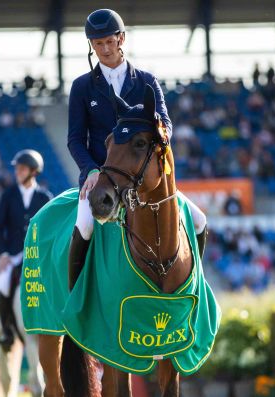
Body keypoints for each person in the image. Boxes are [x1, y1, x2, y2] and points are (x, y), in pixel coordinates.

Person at [66, 8, 208, 290]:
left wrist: (158, 130)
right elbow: (74, 139)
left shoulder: (146, 80)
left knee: (199, 220)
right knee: (85, 226)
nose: (105, 49)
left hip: (142, 176)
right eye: (98, 44)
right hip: (103, 179)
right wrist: (91, 170)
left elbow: (166, 124)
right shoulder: (82, 87)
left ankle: (194, 288)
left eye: (109, 41)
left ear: (121, 39)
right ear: (91, 46)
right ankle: (77, 299)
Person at [0, 149, 52, 350]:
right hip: (13, 255)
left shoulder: (44, 197)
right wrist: (3, 254)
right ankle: (7, 332)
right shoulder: (8, 195)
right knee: (3, 283)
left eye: (22, 169)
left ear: (33, 171)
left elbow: (49, 229)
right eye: (17, 169)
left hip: (36, 255)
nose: (17, 172)